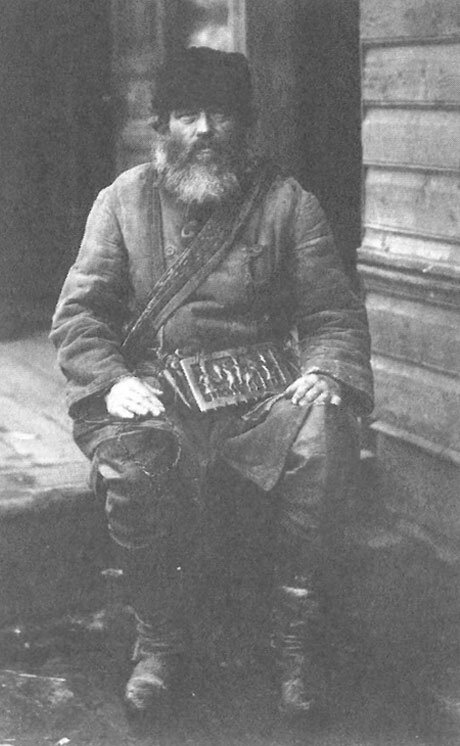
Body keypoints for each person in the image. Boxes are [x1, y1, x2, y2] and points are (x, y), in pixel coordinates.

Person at [50, 46, 373, 728]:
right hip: (160, 393)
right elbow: (81, 316)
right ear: (162, 124)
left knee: (321, 439)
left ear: (244, 124)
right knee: (137, 460)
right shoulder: (122, 202)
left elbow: (332, 316)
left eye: (220, 114)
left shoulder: (287, 204)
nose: (203, 131)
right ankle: (158, 645)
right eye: (187, 114)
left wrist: (324, 370)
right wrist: (111, 382)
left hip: (262, 397)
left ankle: (293, 645)